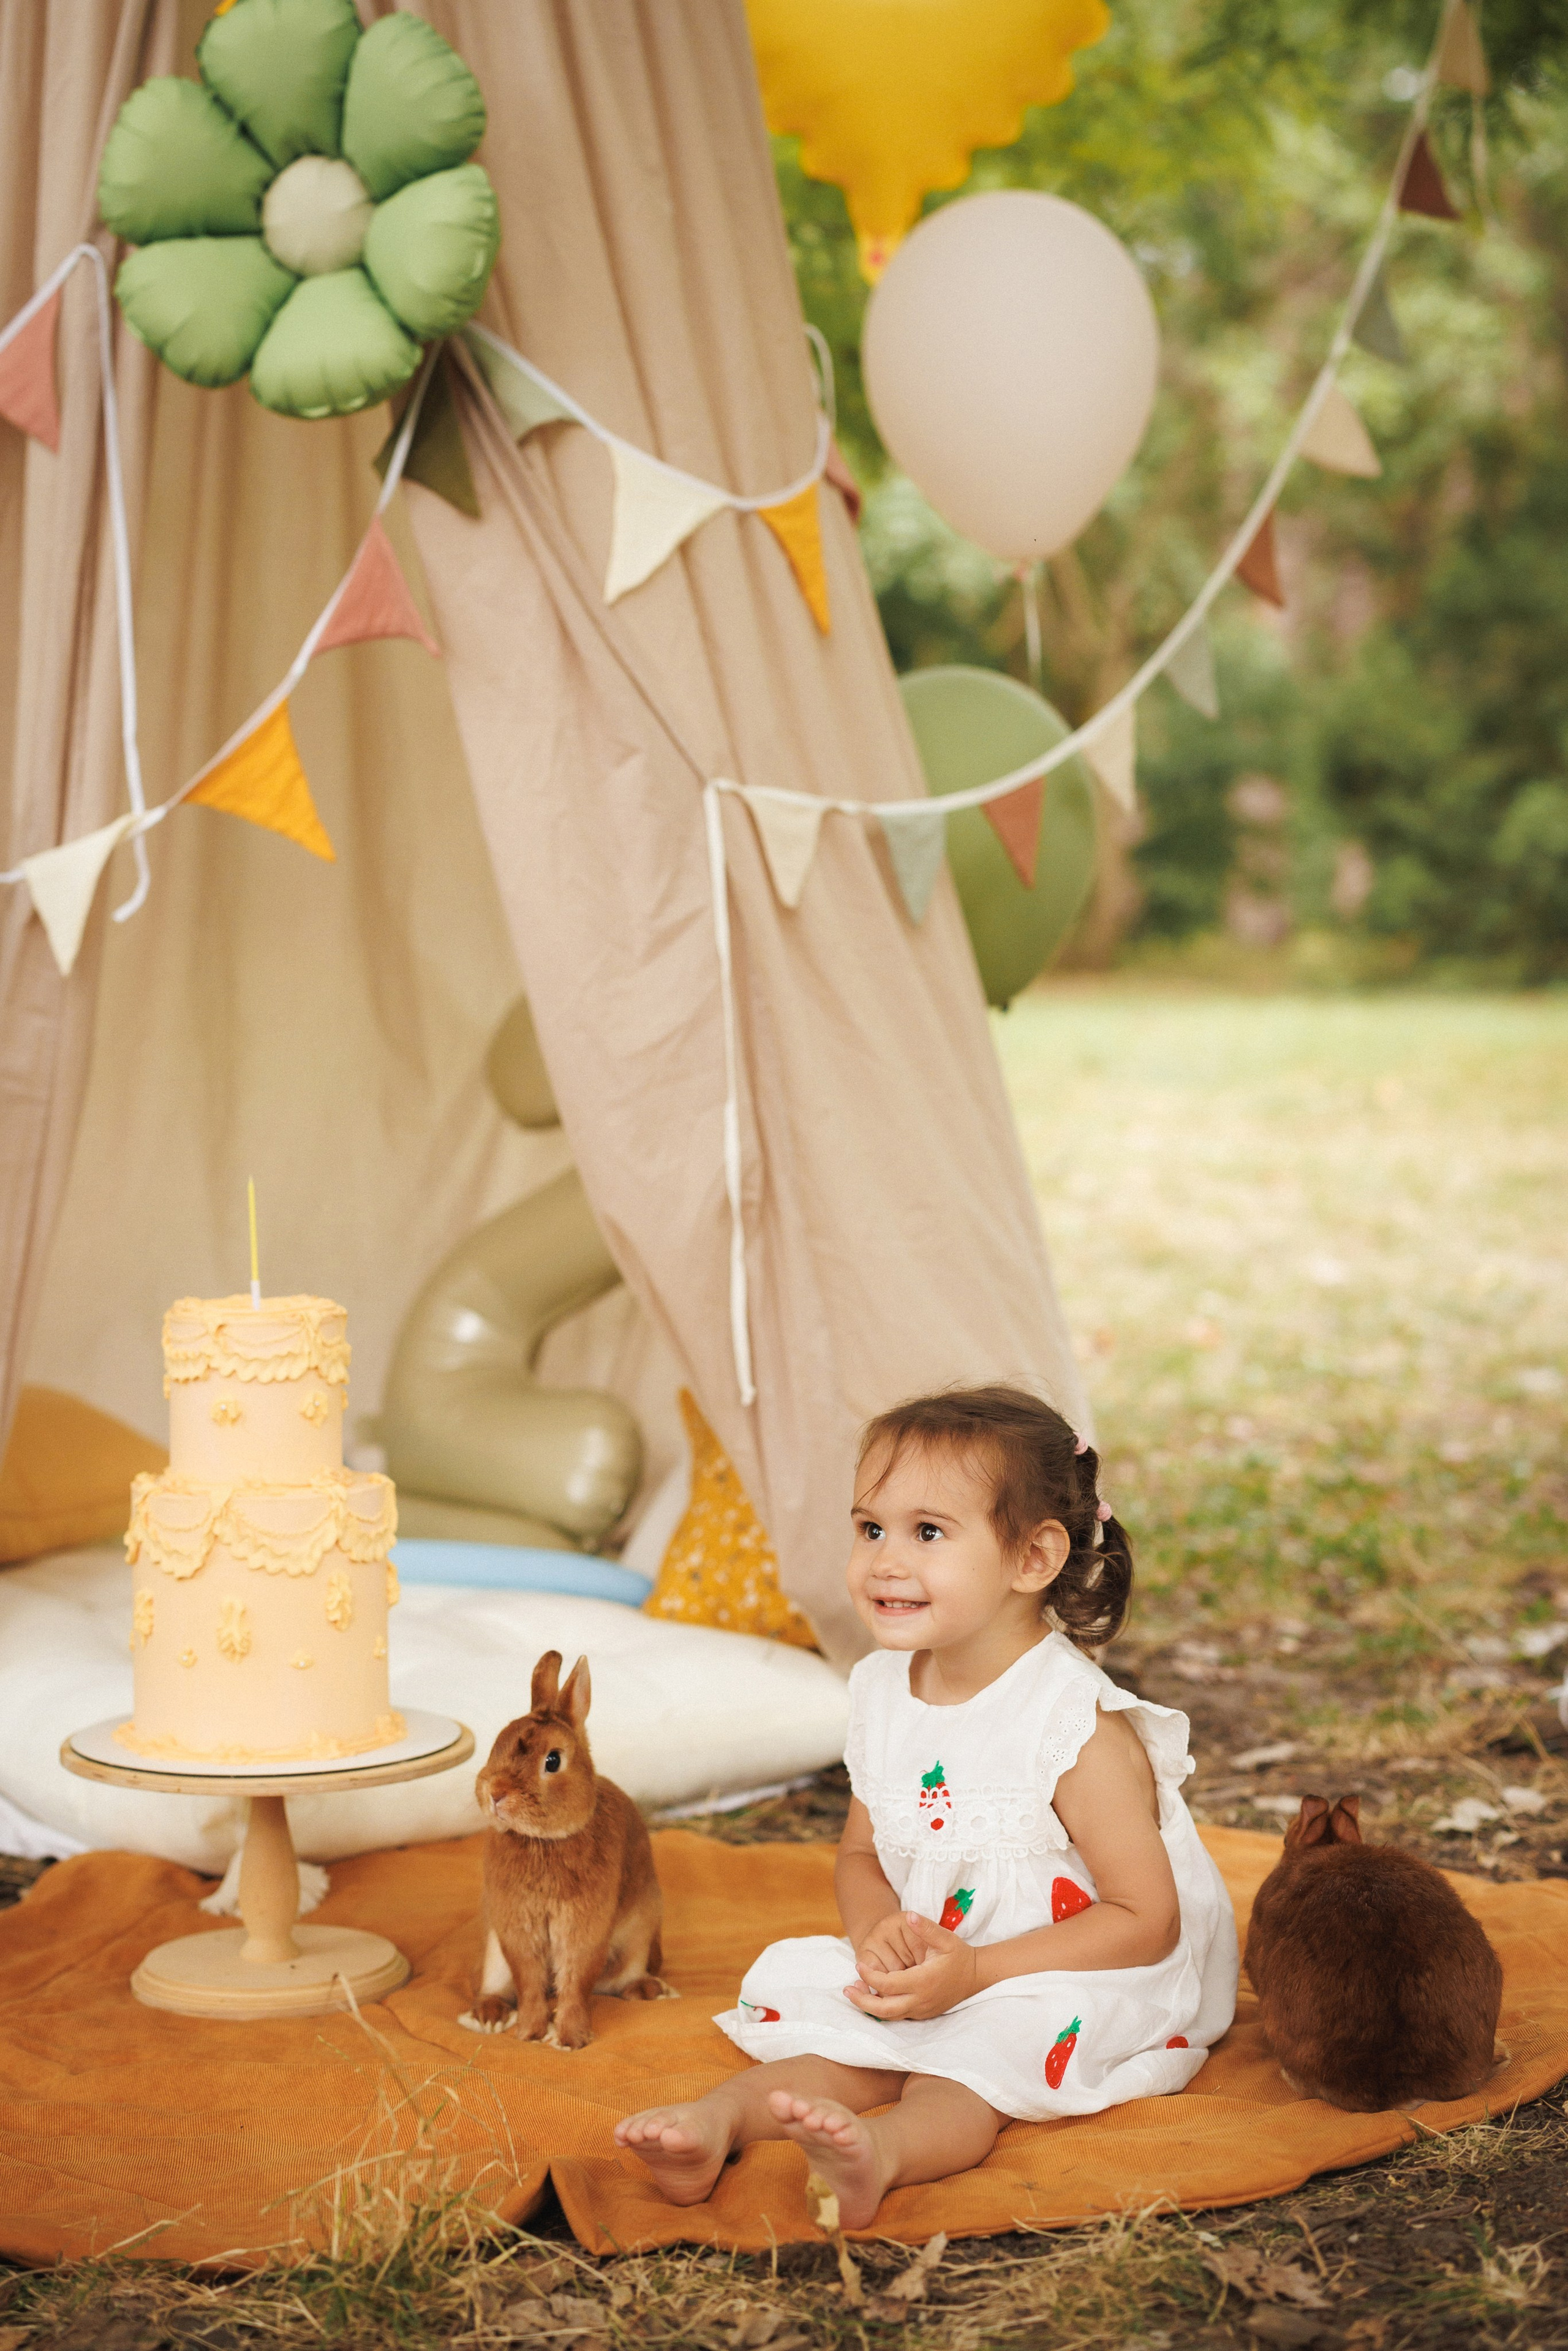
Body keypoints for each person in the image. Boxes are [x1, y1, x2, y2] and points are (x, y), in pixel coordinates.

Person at [615, 1386, 1238, 2227]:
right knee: (841, 2027)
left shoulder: (1071, 1724)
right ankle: (716, 2122)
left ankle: (886, 2152)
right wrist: (878, 1931)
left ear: (1032, 1558)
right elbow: (862, 1854)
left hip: (1068, 1965)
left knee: (979, 2056)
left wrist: (977, 1973)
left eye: (928, 1532)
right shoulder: (882, 1689)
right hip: (944, 1955)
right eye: (870, 1527)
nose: (884, 1560)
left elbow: (1147, 1917)